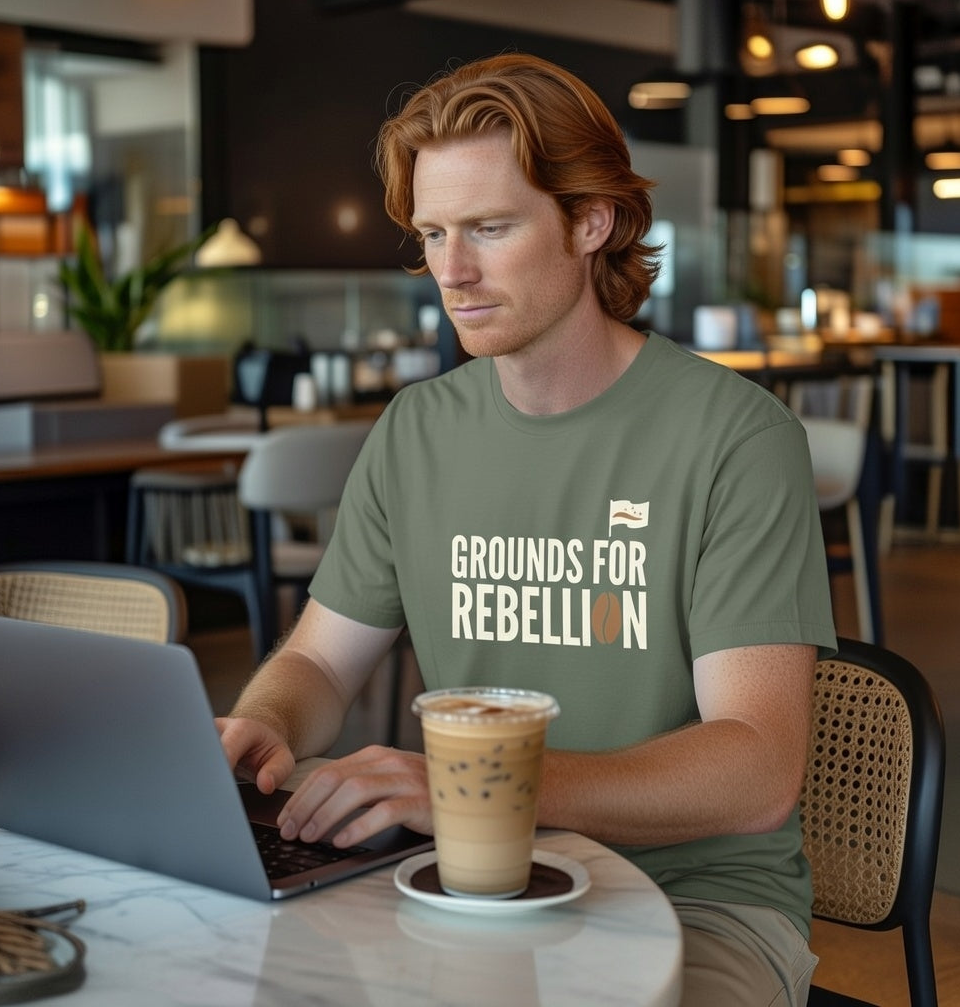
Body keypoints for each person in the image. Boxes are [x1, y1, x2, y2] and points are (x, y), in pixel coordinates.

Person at [218, 52, 837, 1006]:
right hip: (447, 879)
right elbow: (321, 664)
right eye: (431, 234)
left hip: (697, 904)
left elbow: (755, 767)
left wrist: (474, 791)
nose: (450, 272)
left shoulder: (737, 438)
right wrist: (263, 722)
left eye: (489, 229)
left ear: (591, 222)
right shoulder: (416, 430)